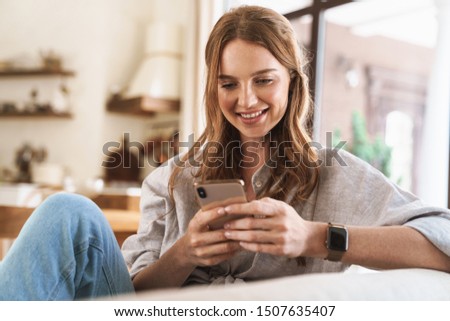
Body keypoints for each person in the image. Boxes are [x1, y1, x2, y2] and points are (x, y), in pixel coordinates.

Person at [1, 5, 449, 300]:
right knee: (68, 213)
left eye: (264, 80)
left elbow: (442, 238)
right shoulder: (174, 176)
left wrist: (314, 237)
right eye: (228, 83)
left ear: (292, 82)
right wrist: (186, 253)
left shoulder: (331, 172)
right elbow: (129, 294)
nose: (246, 100)